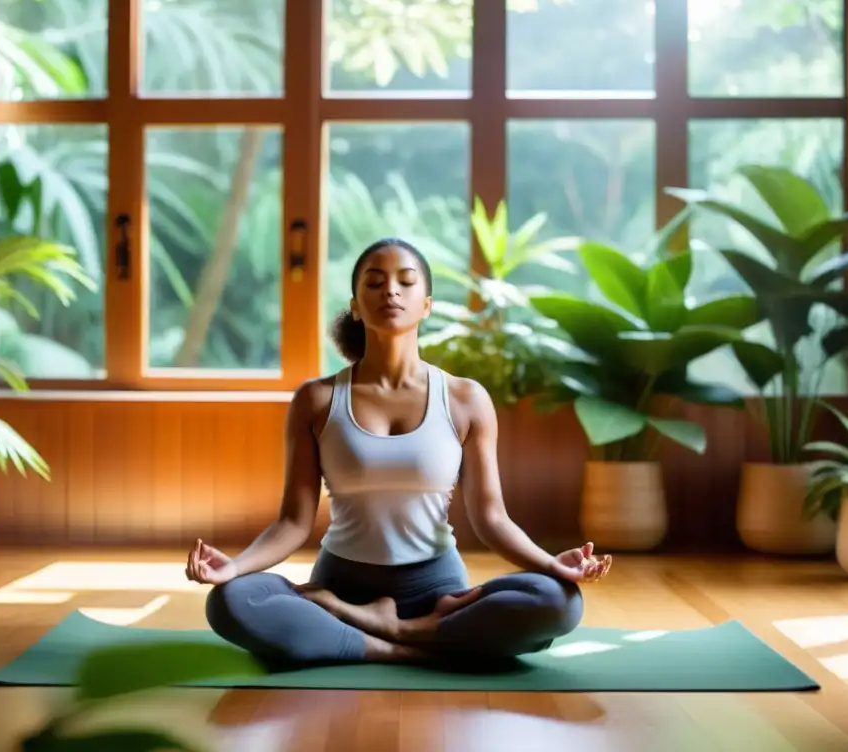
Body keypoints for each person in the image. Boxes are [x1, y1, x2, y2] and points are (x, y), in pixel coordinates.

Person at [185, 238, 613, 669]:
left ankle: (384, 629)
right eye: (375, 282)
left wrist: (552, 565)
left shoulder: (465, 399)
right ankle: (399, 642)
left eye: (405, 282)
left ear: (425, 305)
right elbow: (294, 522)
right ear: (355, 305)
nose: (391, 291)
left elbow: (491, 518)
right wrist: (234, 568)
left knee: (558, 602)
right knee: (229, 602)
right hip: (341, 582)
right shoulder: (316, 400)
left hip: (436, 591)